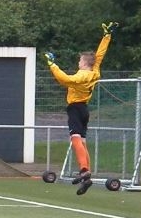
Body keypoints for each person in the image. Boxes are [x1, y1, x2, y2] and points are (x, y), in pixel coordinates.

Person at [44, 22, 117, 195]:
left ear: (84, 63)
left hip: (75, 109)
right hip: (84, 109)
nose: (78, 62)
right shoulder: (95, 72)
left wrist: (52, 65)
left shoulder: (81, 76)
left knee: (75, 139)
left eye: (79, 60)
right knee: (82, 142)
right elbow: (100, 55)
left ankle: (84, 169)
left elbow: (65, 80)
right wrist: (107, 36)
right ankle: (87, 176)